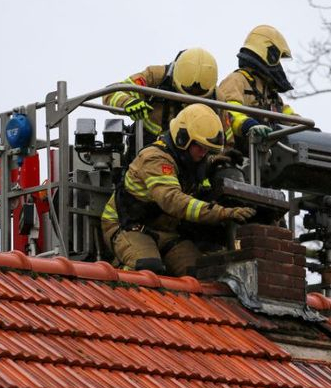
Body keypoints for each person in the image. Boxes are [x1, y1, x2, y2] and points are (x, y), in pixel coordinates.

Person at [100, 103, 256, 275]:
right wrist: (222, 213)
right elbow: (173, 201)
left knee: (198, 273)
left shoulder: (189, 156)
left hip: (166, 231)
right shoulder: (154, 159)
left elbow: (190, 167)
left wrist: (216, 160)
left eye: (208, 149)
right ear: (182, 138)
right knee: (146, 268)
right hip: (127, 225)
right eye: (199, 146)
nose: (204, 153)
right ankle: (119, 271)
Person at [103, 47, 220, 150]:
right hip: (147, 146)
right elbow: (113, 92)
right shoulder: (156, 77)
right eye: (188, 90)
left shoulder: (217, 98)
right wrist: (128, 102)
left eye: (198, 93)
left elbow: (226, 138)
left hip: (195, 155)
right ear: (176, 77)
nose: (190, 98)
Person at [218, 25, 297, 148]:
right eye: (278, 59)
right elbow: (229, 111)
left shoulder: (270, 92)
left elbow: (288, 116)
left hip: (267, 156)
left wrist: (308, 131)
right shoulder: (236, 80)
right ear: (269, 54)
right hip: (239, 156)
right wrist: (248, 125)